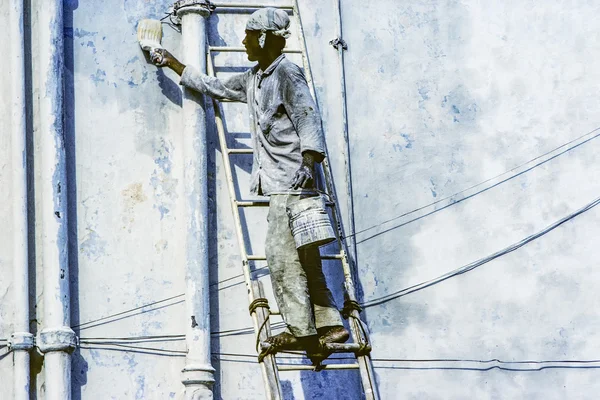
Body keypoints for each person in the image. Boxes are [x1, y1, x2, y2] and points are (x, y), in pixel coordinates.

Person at [149, 7, 349, 363]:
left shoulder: (287, 72)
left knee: (281, 257)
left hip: (292, 183)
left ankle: (301, 330)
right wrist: (173, 62)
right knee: (306, 257)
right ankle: (331, 323)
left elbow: (307, 115)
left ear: (261, 37)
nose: (243, 42)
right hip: (281, 183)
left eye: (247, 36)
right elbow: (216, 87)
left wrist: (309, 161)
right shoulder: (257, 78)